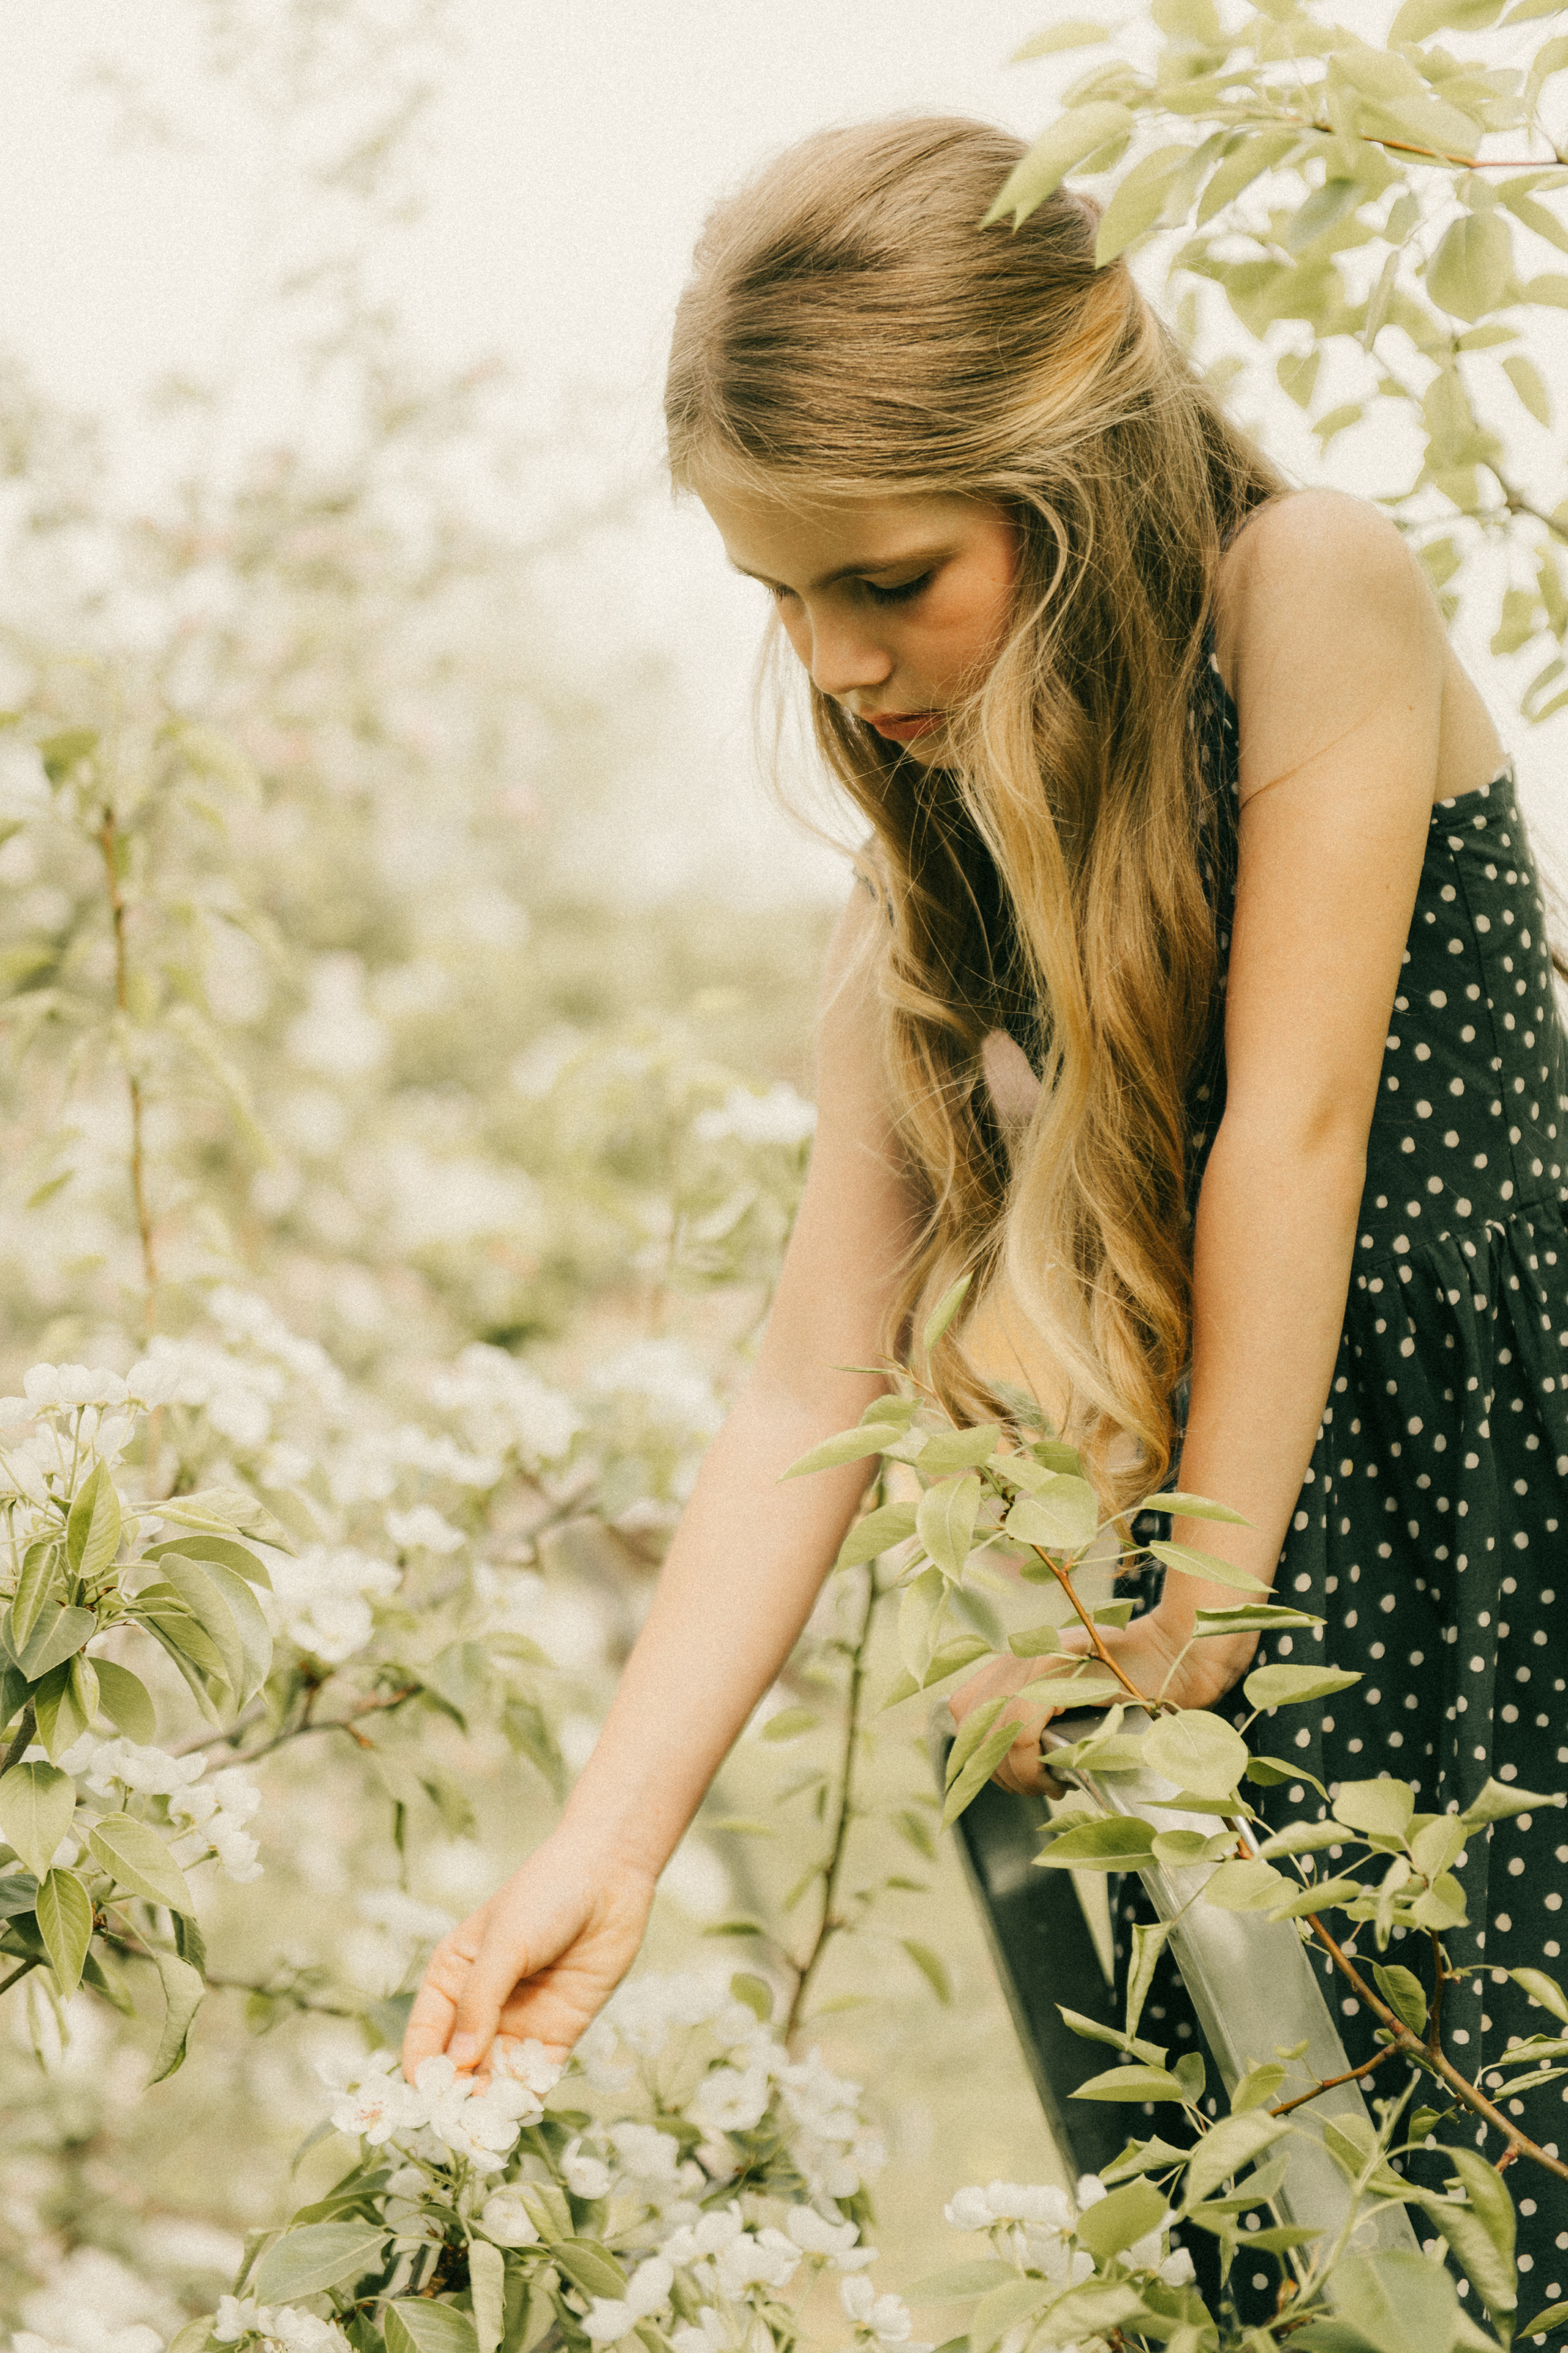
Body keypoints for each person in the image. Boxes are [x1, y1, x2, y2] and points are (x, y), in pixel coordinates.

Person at [407, 115, 1568, 2300]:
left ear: (1069, 472)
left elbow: (1295, 1132)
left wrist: (1201, 1619)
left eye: (888, 578)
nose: (838, 664)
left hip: (1467, 1549)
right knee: (1277, 2280)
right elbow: (802, 1384)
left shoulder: (1306, 584)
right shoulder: (920, 875)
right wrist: (608, 1841)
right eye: (785, 597)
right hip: (1131, 1659)